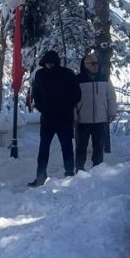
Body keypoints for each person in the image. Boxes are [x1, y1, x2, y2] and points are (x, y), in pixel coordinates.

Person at [29, 50, 80, 187]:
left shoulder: (67, 74)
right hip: (47, 119)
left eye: (51, 63)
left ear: (56, 62)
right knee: (43, 148)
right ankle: (40, 176)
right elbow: (36, 93)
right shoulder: (40, 75)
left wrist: (67, 105)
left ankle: (69, 174)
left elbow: (77, 93)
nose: (49, 65)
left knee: (67, 147)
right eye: (47, 63)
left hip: (64, 118)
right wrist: (42, 107)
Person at [74, 52, 117, 171]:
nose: (96, 65)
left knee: (98, 146)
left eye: (97, 63)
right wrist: (74, 116)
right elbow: (72, 99)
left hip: (100, 118)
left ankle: (97, 170)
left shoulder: (105, 78)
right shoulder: (78, 79)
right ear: (85, 65)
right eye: (93, 63)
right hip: (83, 119)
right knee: (81, 147)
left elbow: (111, 96)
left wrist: (112, 111)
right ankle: (79, 169)